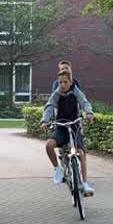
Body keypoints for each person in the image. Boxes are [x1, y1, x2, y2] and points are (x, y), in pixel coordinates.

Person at [40, 68, 95, 196]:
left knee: (81, 153)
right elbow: (49, 106)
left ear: (71, 82)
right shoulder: (57, 93)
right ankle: (57, 169)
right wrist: (45, 120)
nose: (62, 85)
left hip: (75, 126)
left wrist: (89, 112)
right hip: (61, 127)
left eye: (65, 82)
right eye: (60, 82)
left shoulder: (76, 92)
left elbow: (84, 102)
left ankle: (85, 184)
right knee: (49, 145)